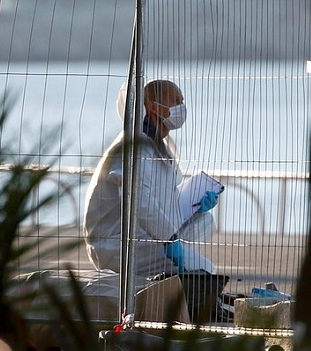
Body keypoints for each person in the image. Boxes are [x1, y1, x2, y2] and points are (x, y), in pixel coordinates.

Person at [83, 79, 219, 283]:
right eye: (175, 101)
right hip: (116, 245)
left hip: (143, 235)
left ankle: (171, 272)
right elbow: (138, 199)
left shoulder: (160, 145)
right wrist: (169, 239)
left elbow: (165, 200)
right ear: (155, 107)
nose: (182, 107)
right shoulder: (133, 147)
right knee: (204, 269)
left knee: (205, 221)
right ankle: (170, 282)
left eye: (182, 100)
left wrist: (195, 205)